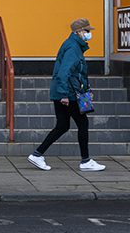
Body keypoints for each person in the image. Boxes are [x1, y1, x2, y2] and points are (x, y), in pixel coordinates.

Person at [27, 18, 106, 172]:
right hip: (69, 93)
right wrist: (64, 94)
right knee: (82, 123)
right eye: (87, 31)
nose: (89, 34)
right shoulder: (73, 48)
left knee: (63, 125)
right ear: (79, 32)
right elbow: (64, 72)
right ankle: (85, 161)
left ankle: (37, 154)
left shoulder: (74, 45)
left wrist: (86, 91)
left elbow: (76, 73)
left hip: (68, 91)